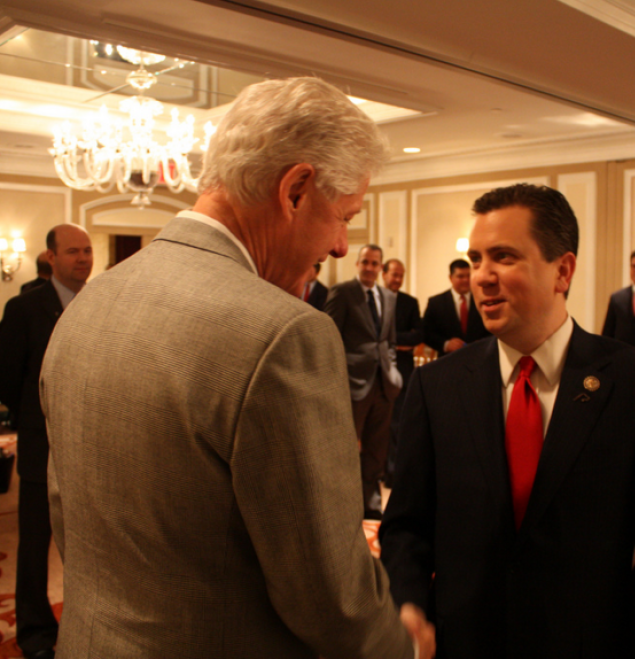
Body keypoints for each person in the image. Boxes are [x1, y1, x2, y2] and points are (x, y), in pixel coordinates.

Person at [40, 78, 433, 659]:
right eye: (343, 216)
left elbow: (69, 523)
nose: (343, 247)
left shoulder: (90, 302)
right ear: (295, 189)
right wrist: (400, 649)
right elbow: (330, 596)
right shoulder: (284, 334)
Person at [380, 183, 635, 659]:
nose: (482, 276)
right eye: (477, 259)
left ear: (562, 270)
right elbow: (406, 526)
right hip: (464, 642)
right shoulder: (438, 388)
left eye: (504, 257)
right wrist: (408, 605)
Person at [0, 224, 93, 659]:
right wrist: (34, 417)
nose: (83, 258)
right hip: (42, 445)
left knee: (89, 543)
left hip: (90, 445)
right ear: (51, 258)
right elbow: (6, 377)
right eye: (73, 251)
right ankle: (36, 634)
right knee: (36, 545)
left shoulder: (100, 302)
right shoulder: (25, 308)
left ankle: (85, 622)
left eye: (88, 250)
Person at [325, 245, 402, 519]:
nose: (370, 267)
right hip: (352, 382)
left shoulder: (388, 297)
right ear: (357, 264)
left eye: (375, 263)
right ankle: (341, 505)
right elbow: (330, 338)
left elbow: (389, 340)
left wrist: (391, 367)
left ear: (381, 267)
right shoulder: (343, 292)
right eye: (365, 262)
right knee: (344, 447)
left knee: (376, 450)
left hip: (384, 385)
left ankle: (371, 504)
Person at [381, 258, 422, 487]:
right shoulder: (371, 298)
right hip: (375, 372)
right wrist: (397, 340)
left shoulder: (409, 302)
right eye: (394, 274)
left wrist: (388, 340)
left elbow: (418, 335)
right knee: (377, 426)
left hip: (403, 371)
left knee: (398, 424)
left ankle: (393, 474)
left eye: (401, 275)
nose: (397, 279)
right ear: (383, 274)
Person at [422, 258, 490, 356]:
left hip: (479, 357)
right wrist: (446, 344)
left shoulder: (482, 299)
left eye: (468, 275)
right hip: (448, 360)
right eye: (460, 276)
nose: (466, 280)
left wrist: (483, 343)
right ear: (451, 278)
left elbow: (492, 329)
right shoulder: (436, 302)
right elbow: (426, 332)